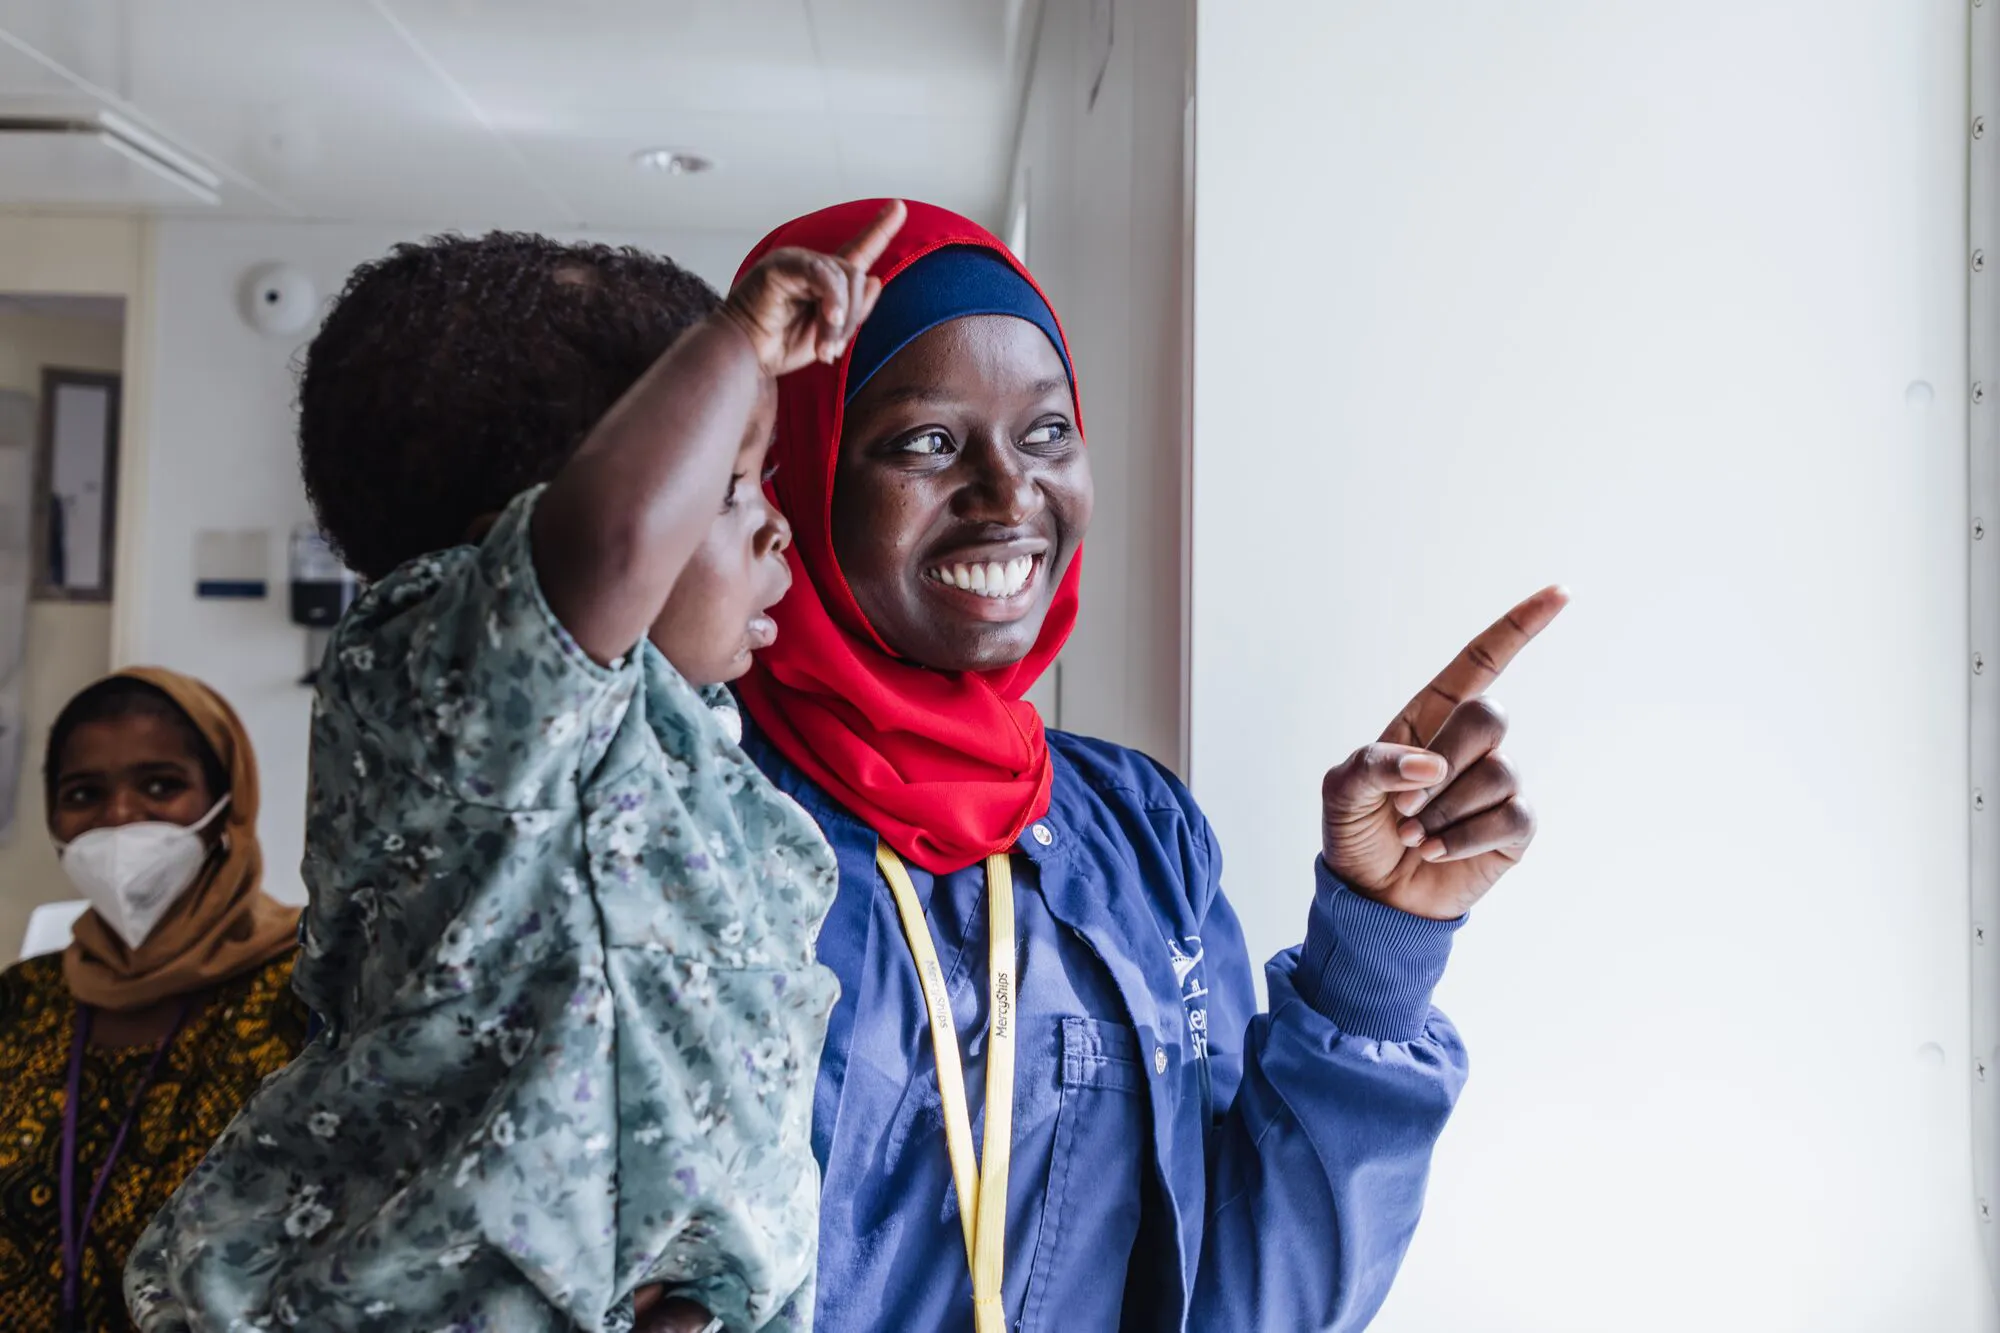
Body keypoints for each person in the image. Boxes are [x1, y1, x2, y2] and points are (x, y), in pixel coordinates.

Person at [729, 199, 1568, 1332]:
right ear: (795, 472)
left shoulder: (1131, 832)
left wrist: (1378, 940)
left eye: (1045, 433)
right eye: (925, 441)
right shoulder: (696, 817)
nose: (1009, 494)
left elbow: (1244, 1300)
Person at [125, 216, 914, 1333]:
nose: (776, 527)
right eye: (731, 488)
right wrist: (734, 341)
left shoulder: (692, 752)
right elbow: (604, 550)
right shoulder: (452, 679)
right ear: (514, 541)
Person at [0, 667, 306, 1333]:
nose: (119, 817)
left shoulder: (309, 992)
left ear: (229, 801)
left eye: (161, 785)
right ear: (54, 818)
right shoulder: (21, 999)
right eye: (84, 792)